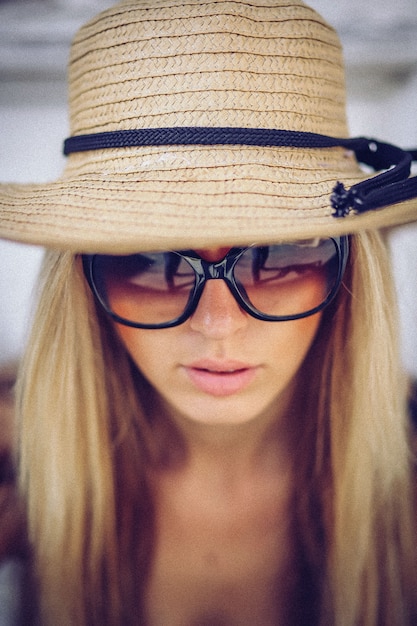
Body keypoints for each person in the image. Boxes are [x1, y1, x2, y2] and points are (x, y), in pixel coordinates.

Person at [0, 0, 417, 623]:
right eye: (149, 259)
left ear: (351, 265)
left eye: (278, 254)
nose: (218, 323)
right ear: (83, 283)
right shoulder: (14, 470)